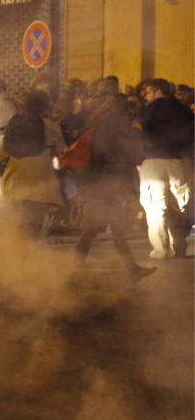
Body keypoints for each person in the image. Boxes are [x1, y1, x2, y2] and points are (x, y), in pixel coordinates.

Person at [74, 80, 154, 278]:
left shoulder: (100, 125)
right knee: (98, 228)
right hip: (106, 184)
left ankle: (130, 268)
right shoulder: (117, 128)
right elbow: (131, 154)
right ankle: (76, 267)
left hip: (99, 183)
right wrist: (136, 132)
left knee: (104, 228)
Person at [137, 78, 194, 259]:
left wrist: (136, 158)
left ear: (157, 91)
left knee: (155, 207)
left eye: (148, 92)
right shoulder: (184, 110)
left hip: (153, 162)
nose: (146, 96)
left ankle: (161, 250)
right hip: (179, 162)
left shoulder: (147, 111)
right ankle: (179, 246)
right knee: (178, 206)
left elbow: (136, 132)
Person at [0, 90, 63, 238]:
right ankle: (29, 259)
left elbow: (0, 155)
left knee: (17, 228)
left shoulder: (13, 124)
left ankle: (13, 259)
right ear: (45, 107)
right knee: (34, 231)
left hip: (13, 184)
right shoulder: (50, 126)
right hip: (39, 187)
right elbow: (61, 151)